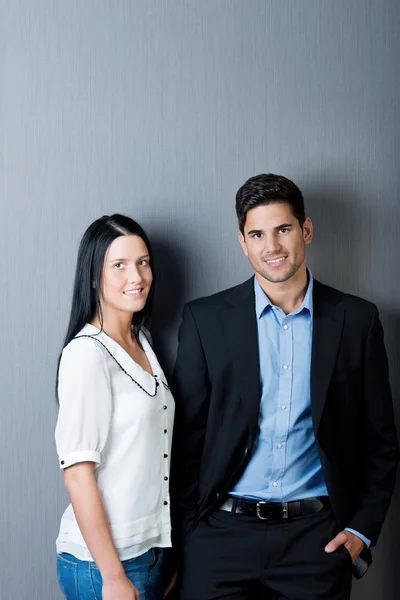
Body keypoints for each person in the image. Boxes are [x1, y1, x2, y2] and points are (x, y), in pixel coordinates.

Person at [171, 174, 399, 600]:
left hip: (314, 542)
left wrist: (360, 532)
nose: (271, 246)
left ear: (306, 230)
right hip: (220, 538)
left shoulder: (357, 320)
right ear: (242, 241)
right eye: (257, 233)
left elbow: (380, 441)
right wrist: (190, 536)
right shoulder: (205, 321)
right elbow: (187, 440)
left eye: (283, 229)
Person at [55, 214, 175, 600]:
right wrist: (112, 576)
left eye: (142, 262)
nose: (136, 276)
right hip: (102, 564)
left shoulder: (143, 342)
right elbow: (77, 473)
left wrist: (162, 550)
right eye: (119, 265)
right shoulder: (87, 354)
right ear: (94, 277)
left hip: (150, 553)